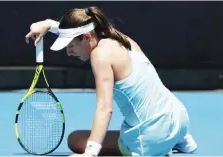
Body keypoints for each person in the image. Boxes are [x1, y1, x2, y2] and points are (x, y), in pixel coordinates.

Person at [25, 6, 197, 157]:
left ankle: (162, 143)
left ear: (86, 37)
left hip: (151, 138)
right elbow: (86, 28)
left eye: (71, 46)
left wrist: (90, 152)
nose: (69, 53)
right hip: (180, 119)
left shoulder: (99, 55)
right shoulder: (123, 40)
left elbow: (105, 108)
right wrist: (48, 24)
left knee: (75, 139)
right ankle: (179, 140)